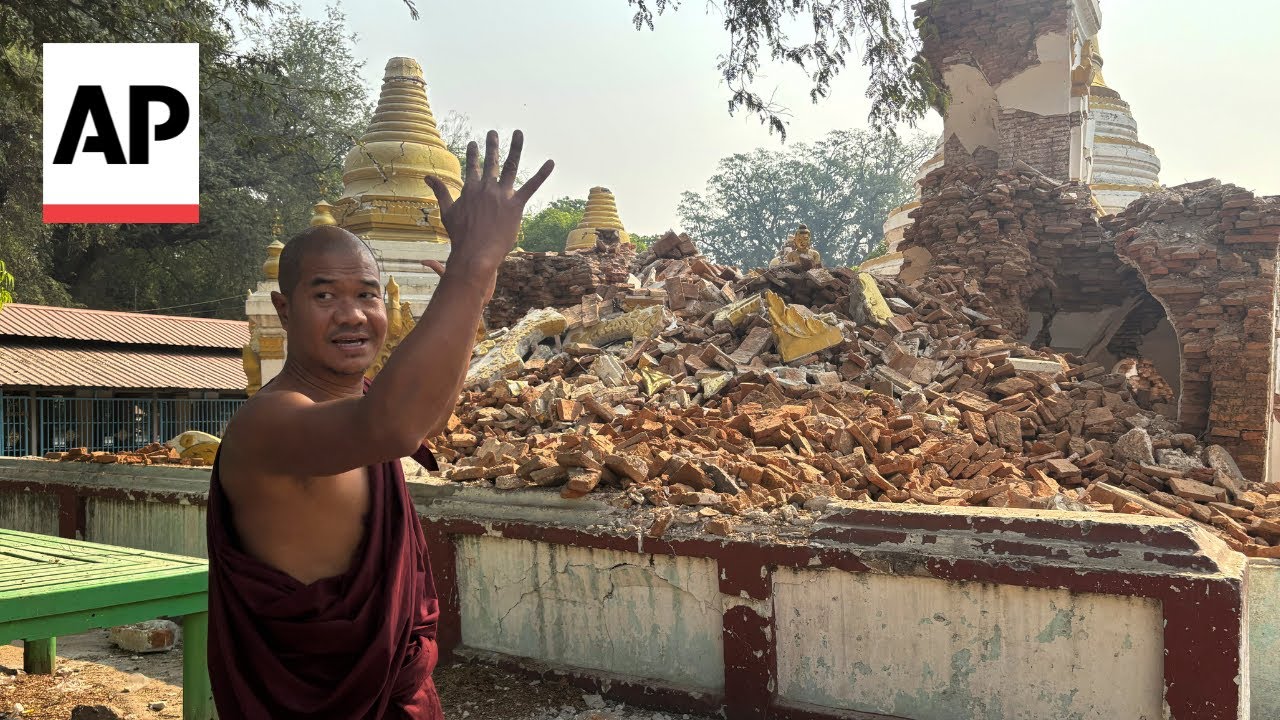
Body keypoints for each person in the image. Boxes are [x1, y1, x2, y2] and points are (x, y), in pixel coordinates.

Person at [205, 130, 553, 719]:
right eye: (326, 296)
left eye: (369, 294)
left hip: (394, 693)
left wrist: (475, 285)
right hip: (316, 701)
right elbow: (392, 426)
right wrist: (468, 268)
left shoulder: (366, 404)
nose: (353, 315)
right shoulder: (269, 423)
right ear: (284, 310)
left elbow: (424, 415)